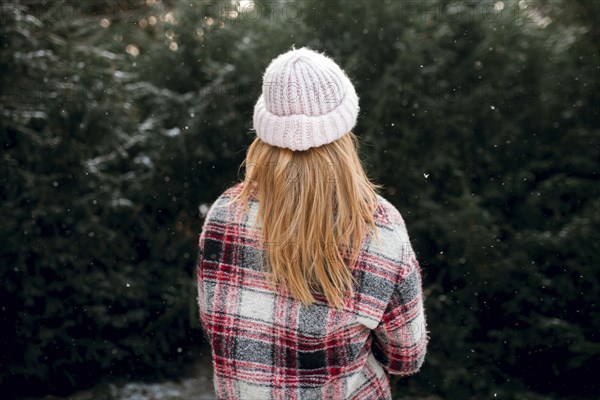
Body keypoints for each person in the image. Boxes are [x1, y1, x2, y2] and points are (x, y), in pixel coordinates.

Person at [196, 47, 429, 400]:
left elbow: (218, 328)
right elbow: (405, 357)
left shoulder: (224, 215)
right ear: (344, 130)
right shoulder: (380, 228)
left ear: (266, 131)